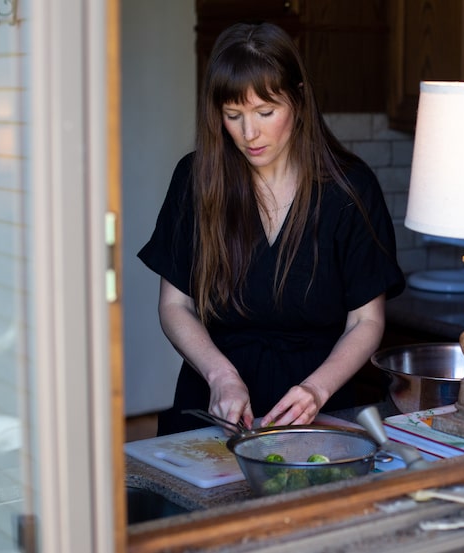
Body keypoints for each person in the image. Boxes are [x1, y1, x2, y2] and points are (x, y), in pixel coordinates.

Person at [138, 22, 405, 436]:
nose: (249, 134)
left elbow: (365, 322)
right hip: (214, 407)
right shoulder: (196, 179)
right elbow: (175, 306)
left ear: (298, 99)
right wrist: (220, 377)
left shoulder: (349, 190)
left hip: (320, 411)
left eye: (265, 112)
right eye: (233, 115)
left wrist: (317, 389)